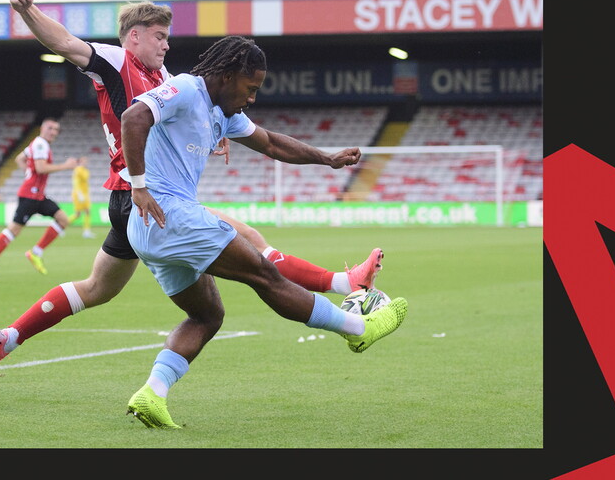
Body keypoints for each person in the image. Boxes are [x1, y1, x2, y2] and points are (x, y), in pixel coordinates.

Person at [0, 0, 382, 383]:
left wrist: (209, 132)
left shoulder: (163, 74)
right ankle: (343, 286)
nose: (166, 45)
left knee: (96, 289)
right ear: (134, 37)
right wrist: (27, 11)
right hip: (142, 194)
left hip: (129, 199)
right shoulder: (116, 61)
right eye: (159, 37)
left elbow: (199, 120)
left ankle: (9, 337)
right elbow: (65, 43)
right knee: (249, 241)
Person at [121, 35, 408, 428]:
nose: (252, 98)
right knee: (265, 275)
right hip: (170, 213)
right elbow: (133, 117)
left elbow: (272, 143)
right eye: (250, 88)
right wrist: (138, 185)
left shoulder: (222, 111)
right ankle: (359, 328)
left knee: (207, 315)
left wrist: (326, 158)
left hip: (148, 230)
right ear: (226, 76)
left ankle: (152, 393)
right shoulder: (187, 89)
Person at [0, 118, 78, 282]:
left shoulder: (36, 144)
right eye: (50, 128)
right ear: (43, 128)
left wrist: (28, 173)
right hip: (30, 196)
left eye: (56, 130)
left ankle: (35, 252)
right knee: (14, 230)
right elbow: (41, 168)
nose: (53, 132)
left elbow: (19, 159)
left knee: (63, 219)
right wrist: (66, 166)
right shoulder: (40, 144)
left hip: (37, 195)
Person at [70, 156, 95, 238]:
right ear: (80, 161)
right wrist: (79, 193)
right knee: (78, 214)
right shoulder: (78, 170)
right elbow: (76, 183)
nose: (86, 163)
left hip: (85, 194)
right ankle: (61, 225)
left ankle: (86, 231)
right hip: (79, 194)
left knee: (87, 212)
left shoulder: (85, 170)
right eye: (84, 161)